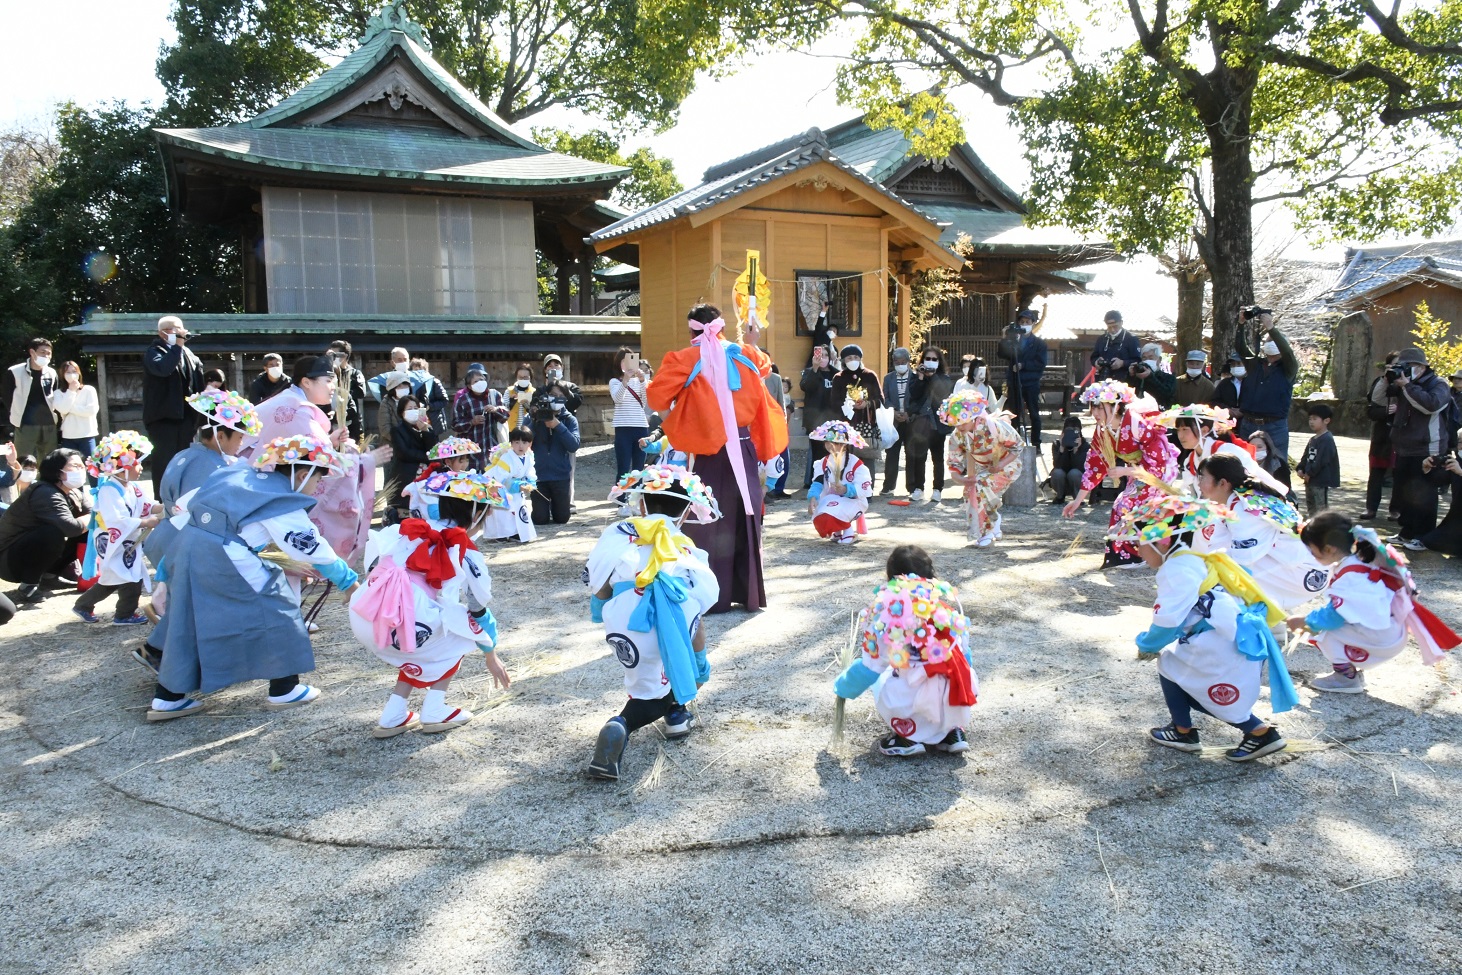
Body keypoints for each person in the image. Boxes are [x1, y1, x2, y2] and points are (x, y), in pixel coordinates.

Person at [147, 435, 361, 721]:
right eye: (317, 480)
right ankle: (285, 687)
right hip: (223, 556)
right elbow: (312, 547)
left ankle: (168, 697)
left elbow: (186, 511)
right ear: (302, 473)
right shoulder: (279, 499)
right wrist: (349, 581)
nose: (317, 488)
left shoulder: (236, 472)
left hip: (186, 549)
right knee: (279, 606)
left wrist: (165, 566)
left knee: (189, 621)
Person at [1118, 494, 1296, 762]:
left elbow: (1167, 621)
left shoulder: (1177, 567)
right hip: (1226, 638)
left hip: (1219, 645)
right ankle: (1187, 729)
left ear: (1163, 540)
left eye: (1141, 545)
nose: (1138, 552)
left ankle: (1255, 732)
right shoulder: (1194, 557)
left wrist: (1147, 644)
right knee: (1178, 671)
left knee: (1177, 671)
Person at [646, 304, 788, 614]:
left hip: (708, 448)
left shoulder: (684, 359)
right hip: (743, 444)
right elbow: (765, 365)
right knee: (745, 515)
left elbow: (656, 397)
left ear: (692, 330)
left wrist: (683, 407)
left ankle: (711, 595)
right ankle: (748, 594)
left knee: (706, 518)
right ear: (720, 327)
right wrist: (750, 339)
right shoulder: (745, 354)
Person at [584, 467, 721, 780]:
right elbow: (701, 606)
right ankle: (623, 723)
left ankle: (673, 712)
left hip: (627, 619)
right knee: (677, 660)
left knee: (647, 676)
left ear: (641, 504)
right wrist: (700, 664)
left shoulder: (618, 534)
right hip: (675, 613)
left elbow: (599, 586)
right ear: (687, 511)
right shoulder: (687, 547)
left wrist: (609, 604)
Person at [349, 471, 509, 737]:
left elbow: (374, 563)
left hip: (367, 611)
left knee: (426, 640)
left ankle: (394, 714)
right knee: (457, 632)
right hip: (400, 621)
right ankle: (435, 709)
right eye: (487, 513)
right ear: (477, 513)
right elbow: (478, 606)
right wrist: (490, 652)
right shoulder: (463, 549)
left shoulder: (410, 529)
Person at [140, 391, 259, 663]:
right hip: (186, 541)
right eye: (239, 436)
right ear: (220, 434)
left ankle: (160, 652)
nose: (241, 443)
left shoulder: (185, 455)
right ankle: (157, 652)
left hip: (169, 536)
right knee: (192, 604)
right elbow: (201, 512)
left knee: (188, 603)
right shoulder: (208, 464)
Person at [1291, 513, 1459, 694]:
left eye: (1312, 551)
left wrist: (1305, 620)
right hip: (1387, 630)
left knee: (1326, 634)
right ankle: (1351, 673)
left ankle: (1346, 678)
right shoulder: (1361, 559)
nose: (1311, 555)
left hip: (1382, 637)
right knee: (1328, 628)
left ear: (1330, 549)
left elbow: (1335, 616)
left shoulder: (1352, 578)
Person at [834, 545, 976, 757]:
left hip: (915, 700)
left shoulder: (887, 616)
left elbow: (869, 669)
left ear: (891, 578)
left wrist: (843, 687)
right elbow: (966, 658)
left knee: (884, 677)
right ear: (931, 576)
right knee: (944, 677)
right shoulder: (948, 613)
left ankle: (907, 737)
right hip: (957, 696)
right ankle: (952, 731)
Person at [252, 354, 384, 564]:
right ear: (306, 382)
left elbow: (313, 449)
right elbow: (326, 463)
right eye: (328, 380)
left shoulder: (291, 402)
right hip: (262, 492)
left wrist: (330, 441)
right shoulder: (296, 409)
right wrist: (366, 461)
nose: (334, 386)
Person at [1061, 380, 1180, 568]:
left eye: (1100, 407)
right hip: (1138, 471)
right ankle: (1131, 554)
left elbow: (1157, 463)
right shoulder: (1103, 429)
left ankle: (1140, 554)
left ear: (1116, 406)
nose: (1095, 413)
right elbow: (1095, 465)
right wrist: (1077, 501)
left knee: (1129, 504)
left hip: (1159, 472)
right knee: (1126, 505)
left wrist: (1125, 470)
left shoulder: (1137, 423)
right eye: (1093, 408)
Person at [1195, 454, 1327, 612]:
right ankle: (1270, 624)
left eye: (1202, 477)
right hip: (1294, 563)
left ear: (1222, 483)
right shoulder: (1239, 499)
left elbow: (1244, 560)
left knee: (1225, 582)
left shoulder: (1243, 509)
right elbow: (1217, 546)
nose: (1198, 483)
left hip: (1305, 570)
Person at [73, 432, 160, 626]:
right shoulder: (108, 490)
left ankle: (84, 605)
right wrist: (145, 522)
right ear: (121, 470)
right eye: (136, 464)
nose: (140, 467)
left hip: (124, 539)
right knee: (129, 577)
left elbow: (147, 505)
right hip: (112, 540)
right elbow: (115, 520)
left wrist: (163, 509)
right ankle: (123, 614)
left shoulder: (132, 487)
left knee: (118, 576)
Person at [0, 448, 91, 605]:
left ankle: (50, 577)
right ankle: (28, 585)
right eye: (75, 466)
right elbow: (72, 527)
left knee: (89, 529)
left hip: (28, 553)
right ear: (58, 471)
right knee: (52, 533)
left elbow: (91, 514)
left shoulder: (73, 492)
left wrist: (96, 516)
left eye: (82, 465)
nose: (81, 469)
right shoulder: (45, 492)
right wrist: (96, 516)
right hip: (8, 560)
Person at [1388, 347, 1453, 550]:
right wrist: (1388, 378)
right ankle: (1406, 533)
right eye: (1404, 366)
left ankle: (1423, 537)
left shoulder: (1439, 384)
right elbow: (1380, 399)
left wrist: (1407, 386)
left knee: (1424, 494)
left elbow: (1431, 405)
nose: (1408, 370)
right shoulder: (1404, 383)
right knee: (1405, 493)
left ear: (1423, 367)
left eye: (1411, 366)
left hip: (1428, 447)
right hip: (1405, 447)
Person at [943, 389, 1023, 547]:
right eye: (956, 422)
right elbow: (954, 463)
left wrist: (1000, 464)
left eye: (962, 421)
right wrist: (962, 479)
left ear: (973, 417)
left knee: (980, 486)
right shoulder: (957, 435)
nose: (959, 426)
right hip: (984, 469)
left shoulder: (993, 425)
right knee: (971, 489)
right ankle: (992, 523)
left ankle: (986, 533)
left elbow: (1017, 446)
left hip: (1007, 465)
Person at [142, 316, 206, 495]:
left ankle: (183, 499)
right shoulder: (154, 351)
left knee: (185, 462)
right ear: (161, 333)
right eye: (173, 329)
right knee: (164, 463)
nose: (179, 333)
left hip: (186, 419)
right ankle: (162, 503)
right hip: (163, 419)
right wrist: (177, 346)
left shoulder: (189, 354)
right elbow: (163, 368)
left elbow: (199, 385)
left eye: (180, 329)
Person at [1234, 315, 1298, 458]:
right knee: (1245, 463)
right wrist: (1241, 324)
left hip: (1274, 425)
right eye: (1268, 340)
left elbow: (1287, 352)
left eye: (1274, 341)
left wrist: (1271, 328)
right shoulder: (1255, 364)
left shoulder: (1288, 368)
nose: (1270, 342)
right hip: (1248, 423)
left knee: (1278, 464)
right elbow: (1240, 348)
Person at [806, 420, 873, 544]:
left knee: (834, 511)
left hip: (853, 500)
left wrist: (847, 489)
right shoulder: (823, 462)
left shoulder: (856, 464)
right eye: (828, 441)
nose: (831, 445)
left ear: (845, 445)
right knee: (821, 514)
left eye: (836, 443)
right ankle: (837, 531)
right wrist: (813, 498)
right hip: (832, 498)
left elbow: (864, 486)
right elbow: (818, 482)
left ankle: (848, 530)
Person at [906, 346, 954, 503]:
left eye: (934, 359)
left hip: (937, 424)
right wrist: (921, 377)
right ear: (922, 360)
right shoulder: (916, 377)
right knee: (919, 457)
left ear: (939, 362)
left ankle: (937, 489)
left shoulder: (945, 379)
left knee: (937, 458)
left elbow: (941, 393)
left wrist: (932, 376)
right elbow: (914, 394)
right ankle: (918, 488)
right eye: (928, 359)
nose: (931, 362)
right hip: (921, 423)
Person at [401, 437, 480, 527]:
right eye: (461, 461)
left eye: (467, 460)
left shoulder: (462, 476)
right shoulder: (436, 479)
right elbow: (433, 512)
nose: (465, 465)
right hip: (438, 522)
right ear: (448, 462)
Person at [2, 337, 59, 462]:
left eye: (49, 353)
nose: (46, 356)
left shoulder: (52, 373)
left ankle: (44, 482)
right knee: (22, 459)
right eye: (43, 352)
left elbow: (55, 395)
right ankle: (20, 481)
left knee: (49, 460)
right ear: (32, 352)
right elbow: (7, 396)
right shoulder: (14, 372)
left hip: (49, 423)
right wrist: (15, 412)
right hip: (25, 423)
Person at [830, 344, 882, 473]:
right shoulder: (839, 378)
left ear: (860, 359)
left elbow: (880, 400)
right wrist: (847, 404)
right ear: (843, 361)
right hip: (846, 425)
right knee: (845, 461)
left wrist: (867, 404)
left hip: (866, 424)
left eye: (855, 357)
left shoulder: (870, 375)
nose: (852, 360)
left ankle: (867, 490)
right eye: (849, 358)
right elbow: (834, 402)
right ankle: (847, 490)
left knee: (867, 461)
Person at [1362, 352, 1401, 520]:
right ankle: (1371, 508)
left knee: (1399, 475)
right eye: (1394, 365)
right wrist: (1386, 379)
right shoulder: (1380, 381)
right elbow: (1373, 405)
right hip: (1381, 435)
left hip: (1401, 436)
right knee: (1376, 473)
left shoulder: (1409, 383)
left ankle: (1395, 510)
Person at [529, 394, 578, 525]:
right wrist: (534, 421)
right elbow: (523, 443)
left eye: (558, 395)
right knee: (539, 519)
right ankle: (543, 508)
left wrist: (558, 425)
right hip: (538, 477)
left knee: (562, 518)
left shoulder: (569, 419)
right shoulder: (533, 419)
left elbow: (573, 446)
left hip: (560, 476)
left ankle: (555, 507)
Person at [880, 347, 923, 494]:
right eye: (897, 362)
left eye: (903, 362)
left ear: (908, 362)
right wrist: (894, 412)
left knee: (911, 454)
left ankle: (911, 487)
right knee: (892, 453)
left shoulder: (916, 377)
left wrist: (908, 413)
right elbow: (885, 398)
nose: (900, 364)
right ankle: (888, 486)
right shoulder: (888, 378)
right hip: (894, 421)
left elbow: (919, 399)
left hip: (911, 421)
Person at [482, 431, 538, 543]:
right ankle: (500, 534)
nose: (520, 446)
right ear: (511, 443)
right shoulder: (506, 458)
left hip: (516, 487)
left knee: (518, 507)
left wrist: (531, 483)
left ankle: (517, 532)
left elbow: (530, 472)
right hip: (499, 487)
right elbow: (501, 478)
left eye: (524, 442)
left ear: (530, 444)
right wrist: (519, 485)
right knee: (502, 512)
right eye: (517, 442)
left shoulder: (529, 456)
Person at [385, 394, 437, 511]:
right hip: (406, 474)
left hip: (426, 475)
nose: (413, 411)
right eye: (409, 409)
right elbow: (404, 452)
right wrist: (426, 457)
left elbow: (434, 450)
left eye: (415, 408)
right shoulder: (397, 430)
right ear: (402, 413)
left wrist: (425, 431)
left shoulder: (426, 428)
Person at [799, 346, 840, 491]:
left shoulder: (837, 374)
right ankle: (817, 482)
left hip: (834, 421)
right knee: (818, 454)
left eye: (825, 355)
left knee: (834, 452)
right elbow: (806, 387)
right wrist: (815, 368)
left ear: (830, 357)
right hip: (815, 422)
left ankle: (834, 480)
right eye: (819, 355)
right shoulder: (810, 372)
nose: (822, 358)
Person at [451, 363, 508, 460]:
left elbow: (505, 416)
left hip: (492, 449)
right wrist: (471, 422)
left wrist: (495, 410)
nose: (480, 383)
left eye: (482, 379)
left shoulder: (495, 395)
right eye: (475, 381)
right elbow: (455, 425)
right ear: (469, 386)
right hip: (470, 452)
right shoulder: (463, 400)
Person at [1007, 308, 1048, 444]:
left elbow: (1040, 363)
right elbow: (1003, 354)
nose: (1025, 324)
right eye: (1022, 321)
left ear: (1033, 323)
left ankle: (1036, 443)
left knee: (1034, 414)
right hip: (1015, 381)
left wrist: (1023, 365)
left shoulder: (1039, 344)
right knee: (1013, 413)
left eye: (1028, 321)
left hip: (1031, 383)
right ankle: (1014, 442)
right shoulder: (1014, 342)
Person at [609, 346, 650, 478]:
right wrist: (625, 380)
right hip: (623, 428)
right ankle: (620, 498)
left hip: (641, 427)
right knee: (623, 469)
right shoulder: (614, 382)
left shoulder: (640, 381)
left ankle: (637, 498)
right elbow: (618, 399)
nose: (627, 364)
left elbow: (644, 402)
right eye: (623, 361)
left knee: (639, 470)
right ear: (618, 364)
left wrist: (643, 381)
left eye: (630, 360)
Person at [1295, 403, 1340, 515]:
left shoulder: (1327, 439)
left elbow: (1322, 460)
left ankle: (1322, 527)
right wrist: (1300, 468)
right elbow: (1306, 457)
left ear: (1326, 421)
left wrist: (1310, 473)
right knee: (1311, 505)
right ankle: (1312, 525)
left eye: (1315, 419)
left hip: (1319, 480)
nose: (1311, 422)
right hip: (1309, 479)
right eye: (1310, 419)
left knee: (1321, 507)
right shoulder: (1313, 439)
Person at [50, 361, 100, 460]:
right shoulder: (58, 393)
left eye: (74, 371)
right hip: (69, 436)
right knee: (70, 467)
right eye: (67, 372)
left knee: (91, 467)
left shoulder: (89, 390)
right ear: (62, 375)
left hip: (87, 435)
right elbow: (63, 410)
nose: (71, 375)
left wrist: (69, 408)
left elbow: (91, 410)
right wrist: (71, 391)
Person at [761, 365, 793, 499]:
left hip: (774, 423)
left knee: (781, 456)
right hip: (753, 426)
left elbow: (781, 402)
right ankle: (762, 489)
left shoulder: (775, 379)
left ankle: (777, 488)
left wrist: (782, 423)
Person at [1048, 415, 1089, 506]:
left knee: (1074, 473)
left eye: (1075, 430)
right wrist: (1062, 448)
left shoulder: (1085, 445)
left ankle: (1078, 497)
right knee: (1057, 472)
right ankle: (1060, 496)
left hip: (1077, 481)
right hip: (1061, 481)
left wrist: (1076, 450)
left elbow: (1081, 467)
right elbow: (1057, 465)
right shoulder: (1057, 444)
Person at [1089, 310, 1141, 383]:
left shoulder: (1131, 339)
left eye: (1115, 326)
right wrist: (1096, 362)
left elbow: (1138, 361)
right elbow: (1093, 357)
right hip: (1103, 380)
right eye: (1109, 327)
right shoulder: (1101, 339)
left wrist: (1123, 363)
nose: (1112, 330)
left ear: (1121, 323)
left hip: (1124, 382)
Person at [408, 357, 450, 434]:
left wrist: (429, 406)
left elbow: (444, 400)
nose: (418, 373)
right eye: (415, 371)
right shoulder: (409, 384)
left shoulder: (434, 382)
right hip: (414, 420)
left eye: (420, 370)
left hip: (433, 421)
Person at [1129, 343, 1176, 408]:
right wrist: (1131, 375)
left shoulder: (1169, 378)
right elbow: (1128, 393)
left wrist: (1150, 377)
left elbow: (1166, 394)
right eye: (1144, 358)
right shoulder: (1138, 376)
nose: (1147, 361)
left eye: (1151, 358)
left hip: (1160, 414)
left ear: (1159, 360)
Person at [504, 362, 537, 430]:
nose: (523, 379)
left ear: (530, 377)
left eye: (525, 377)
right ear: (516, 377)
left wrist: (527, 406)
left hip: (528, 430)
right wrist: (511, 403)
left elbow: (536, 413)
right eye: (520, 377)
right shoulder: (509, 391)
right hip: (511, 429)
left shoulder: (534, 392)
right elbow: (503, 410)